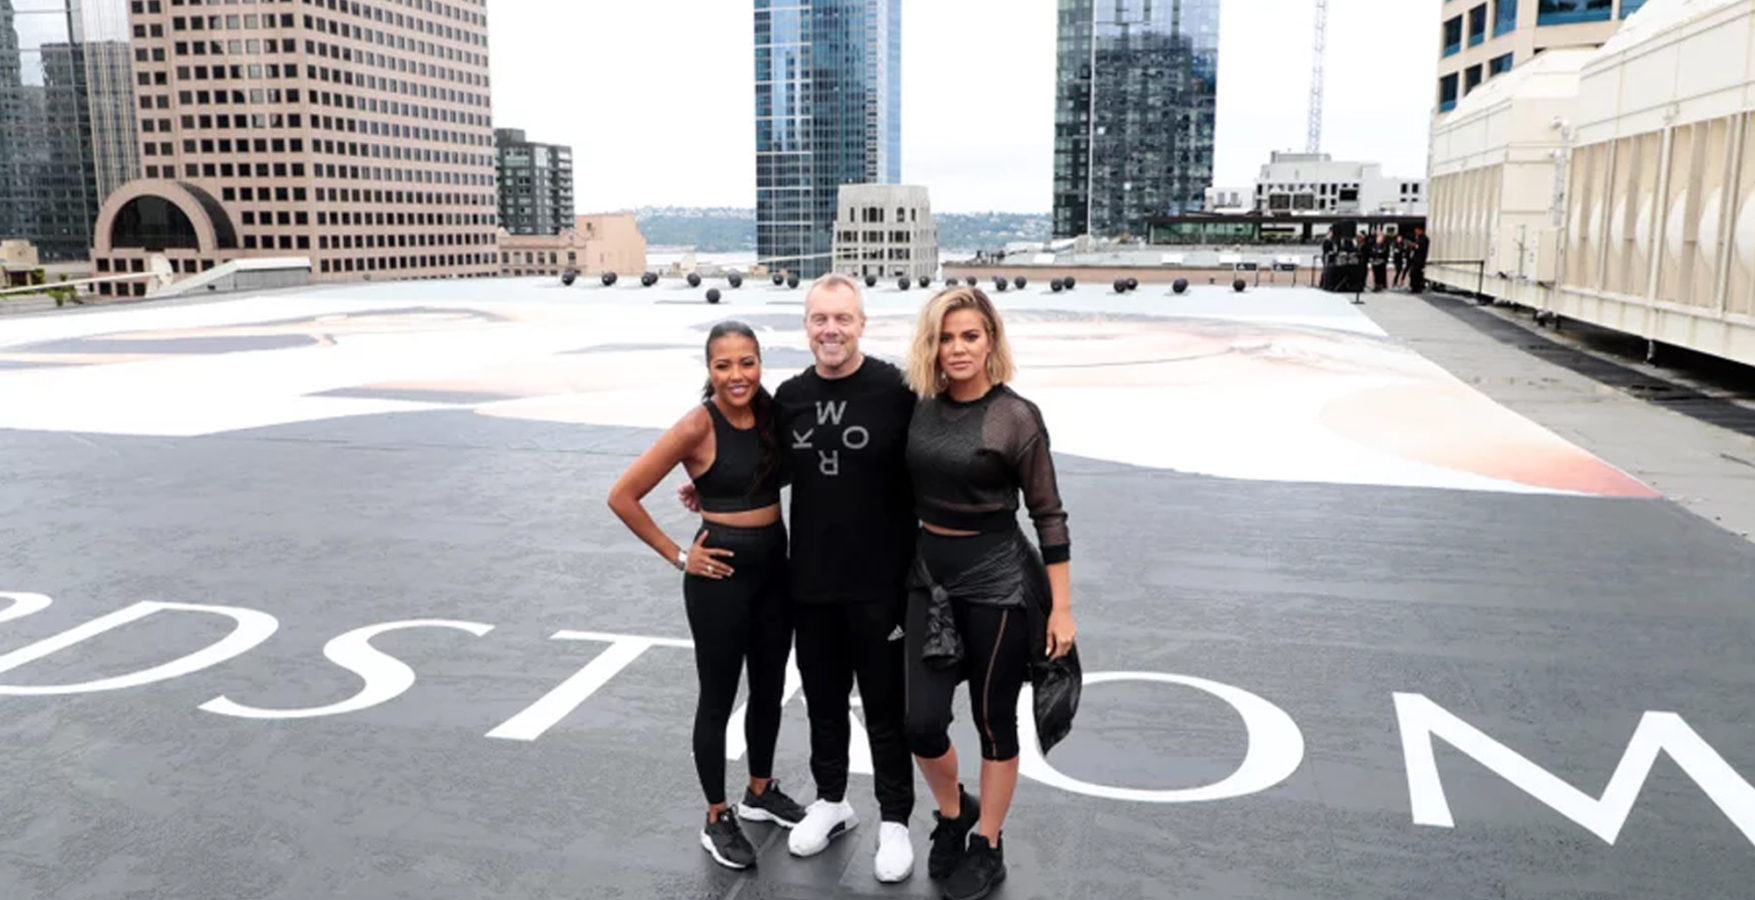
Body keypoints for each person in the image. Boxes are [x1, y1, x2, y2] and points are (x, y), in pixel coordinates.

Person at [678, 273, 920, 882]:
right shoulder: (789, 397)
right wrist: (711, 489)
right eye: (820, 319)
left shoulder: (896, 389)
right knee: (824, 704)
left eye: (842, 318)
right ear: (806, 327)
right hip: (808, 582)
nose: (831, 330)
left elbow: (929, 465)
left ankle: (895, 820)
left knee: (885, 709)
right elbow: (773, 462)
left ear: (861, 323)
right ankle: (831, 801)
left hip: (879, 584)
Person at [607, 321, 807, 871]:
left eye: (747, 362)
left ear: (760, 363)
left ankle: (760, 791)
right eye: (724, 365)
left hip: (775, 568)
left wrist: (713, 484)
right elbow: (622, 495)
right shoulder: (697, 424)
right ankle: (717, 815)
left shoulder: (771, 416)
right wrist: (679, 555)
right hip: (720, 576)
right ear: (709, 370)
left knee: (769, 687)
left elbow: (772, 474)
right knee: (718, 698)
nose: (737, 375)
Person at [901, 286, 1078, 900]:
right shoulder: (919, 406)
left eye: (970, 336)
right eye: (945, 338)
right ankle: (955, 813)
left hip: (998, 581)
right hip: (929, 578)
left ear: (991, 341)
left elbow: (1049, 515)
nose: (957, 348)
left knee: (993, 720)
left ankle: (988, 843)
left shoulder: (1015, 416)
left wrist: (1061, 607)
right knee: (920, 723)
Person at [1409, 225, 1431, 293]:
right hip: (1414, 259)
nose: (1416, 233)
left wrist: (1415, 246)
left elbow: (1422, 248)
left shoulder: (1424, 239)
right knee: (1412, 273)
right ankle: (1413, 286)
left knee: (1417, 274)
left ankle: (1417, 287)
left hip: (1420, 259)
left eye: (1417, 231)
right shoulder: (1417, 238)